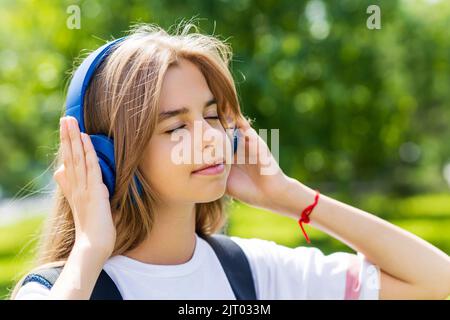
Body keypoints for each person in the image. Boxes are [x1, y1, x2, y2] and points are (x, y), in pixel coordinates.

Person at [10, 22, 450, 300]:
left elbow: (436, 283)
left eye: (211, 115)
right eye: (175, 127)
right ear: (104, 158)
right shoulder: (64, 287)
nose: (209, 139)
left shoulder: (251, 272)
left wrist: (291, 197)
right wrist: (89, 250)